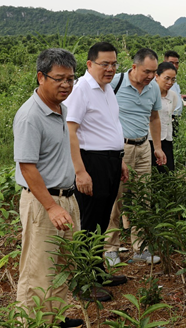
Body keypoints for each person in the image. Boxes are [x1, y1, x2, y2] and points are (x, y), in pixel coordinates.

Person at [13, 48, 83, 328]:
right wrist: (52, 206)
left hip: (66, 198)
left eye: (70, 78)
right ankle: (31, 324)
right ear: (41, 77)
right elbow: (27, 167)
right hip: (44, 204)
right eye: (59, 79)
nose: (66, 85)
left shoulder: (61, 108)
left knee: (64, 265)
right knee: (38, 271)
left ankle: (54, 319)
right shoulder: (31, 116)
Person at [63, 42, 129, 302]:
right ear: (90, 64)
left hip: (110, 161)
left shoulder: (106, 89)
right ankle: (83, 280)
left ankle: (98, 271)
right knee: (89, 222)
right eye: (105, 64)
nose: (111, 69)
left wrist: (120, 159)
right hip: (91, 162)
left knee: (101, 220)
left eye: (114, 64)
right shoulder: (81, 90)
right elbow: (70, 130)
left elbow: (110, 125)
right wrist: (80, 171)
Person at [104, 48, 167, 267]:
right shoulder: (115, 84)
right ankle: (110, 248)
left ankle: (140, 248)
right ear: (134, 67)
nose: (150, 76)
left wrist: (157, 147)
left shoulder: (153, 90)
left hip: (143, 147)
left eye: (154, 72)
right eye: (147, 71)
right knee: (117, 199)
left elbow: (154, 117)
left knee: (143, 199)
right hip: (119, 148)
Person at [154, 62, 179, 173]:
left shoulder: (172, 95)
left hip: (167, 139)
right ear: (157, 76)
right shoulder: (149, 94)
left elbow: (169, 114)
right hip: (151, 140)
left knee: (167, 172)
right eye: (167, 78)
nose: (170, 82)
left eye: (173, 79)